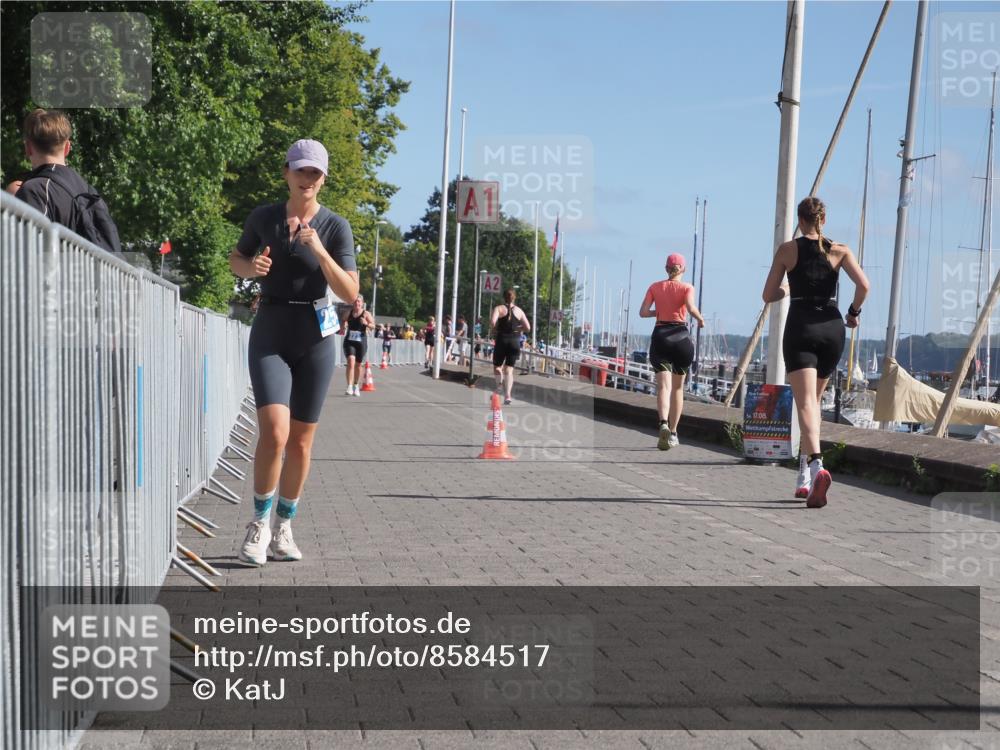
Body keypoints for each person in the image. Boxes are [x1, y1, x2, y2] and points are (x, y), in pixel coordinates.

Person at [229, 138, 358, 566]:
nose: (308, 179)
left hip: (316, 337)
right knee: (275, 432)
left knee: (301, 442)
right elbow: (237, 259)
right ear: (285, 172)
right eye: (301, 170)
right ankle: (258, 524)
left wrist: (319, 250)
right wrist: (252, 269)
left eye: (315, 173)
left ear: (324, 179)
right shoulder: (264, 217)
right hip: (271, 329)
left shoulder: (336, 227)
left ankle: (284, 526)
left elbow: (349, 290)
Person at [762, 196, 869, 508]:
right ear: (824, 220)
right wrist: (853, 313)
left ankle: (817, 465)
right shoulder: (840, 249)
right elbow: (864, 286)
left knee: (806, 404)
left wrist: (790, 288)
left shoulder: (787, 249)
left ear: (800, 220)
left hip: (801, 328)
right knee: (814, 406)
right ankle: (804, 478)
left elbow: (768, 294)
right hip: (832, 329)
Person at [9, 108, 121, 253]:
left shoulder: (35, 190)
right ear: (68, 147)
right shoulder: (88, 191)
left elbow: (24, 254)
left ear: (28, 148)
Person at [639, 253, 705, 450]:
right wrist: (700, 320)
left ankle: (663, 424)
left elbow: (642, 312)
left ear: (666, 268)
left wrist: (657, 312)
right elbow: (691, 307)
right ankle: (674, 433)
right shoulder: (687, 287)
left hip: (660, 337)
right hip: (681, 337)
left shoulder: (655, 287)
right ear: (682, 269)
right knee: (677, 389)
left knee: (663, 388)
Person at [490, 289, 532, 405]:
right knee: (509, 370)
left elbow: (493, 322)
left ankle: (499, 387)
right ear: (514, 298)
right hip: (514, 342)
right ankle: (508, 395)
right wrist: (519, 329)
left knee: (497, 367)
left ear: (504, 297)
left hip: (501, 340)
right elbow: (528, 327)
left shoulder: (498, 308)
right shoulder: (519, 311)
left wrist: (495, 329)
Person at [343, 295, 374, 395]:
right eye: (355, 302)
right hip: (350, 340)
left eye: (359, 302)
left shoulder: (366, 314)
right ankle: (349, 387)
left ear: (362, 303)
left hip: (361, 341)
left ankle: (356, 385)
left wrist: (366, 323)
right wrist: (343, 324)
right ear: (353, 303)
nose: (357, 304)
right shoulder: (349, 313)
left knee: (358, 364)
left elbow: (373, 326)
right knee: (351, 361)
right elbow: (342, 320)